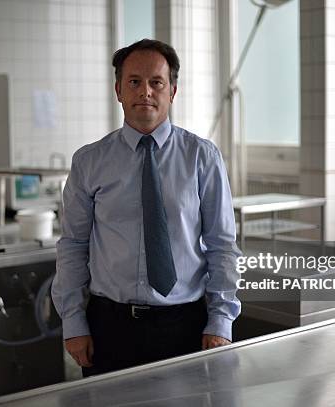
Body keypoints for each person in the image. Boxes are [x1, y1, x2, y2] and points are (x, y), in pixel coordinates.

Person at [52, 39, 240, 377]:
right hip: (109, 326)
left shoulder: (202, 157)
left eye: (157, 82)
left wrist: (221, 320)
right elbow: (73, 245)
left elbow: (222, 246)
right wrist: (74, 321)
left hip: (185, 323)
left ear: (173, 91)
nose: (146, 92)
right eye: (134, 82)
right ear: (118, 90)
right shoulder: (90, 161)